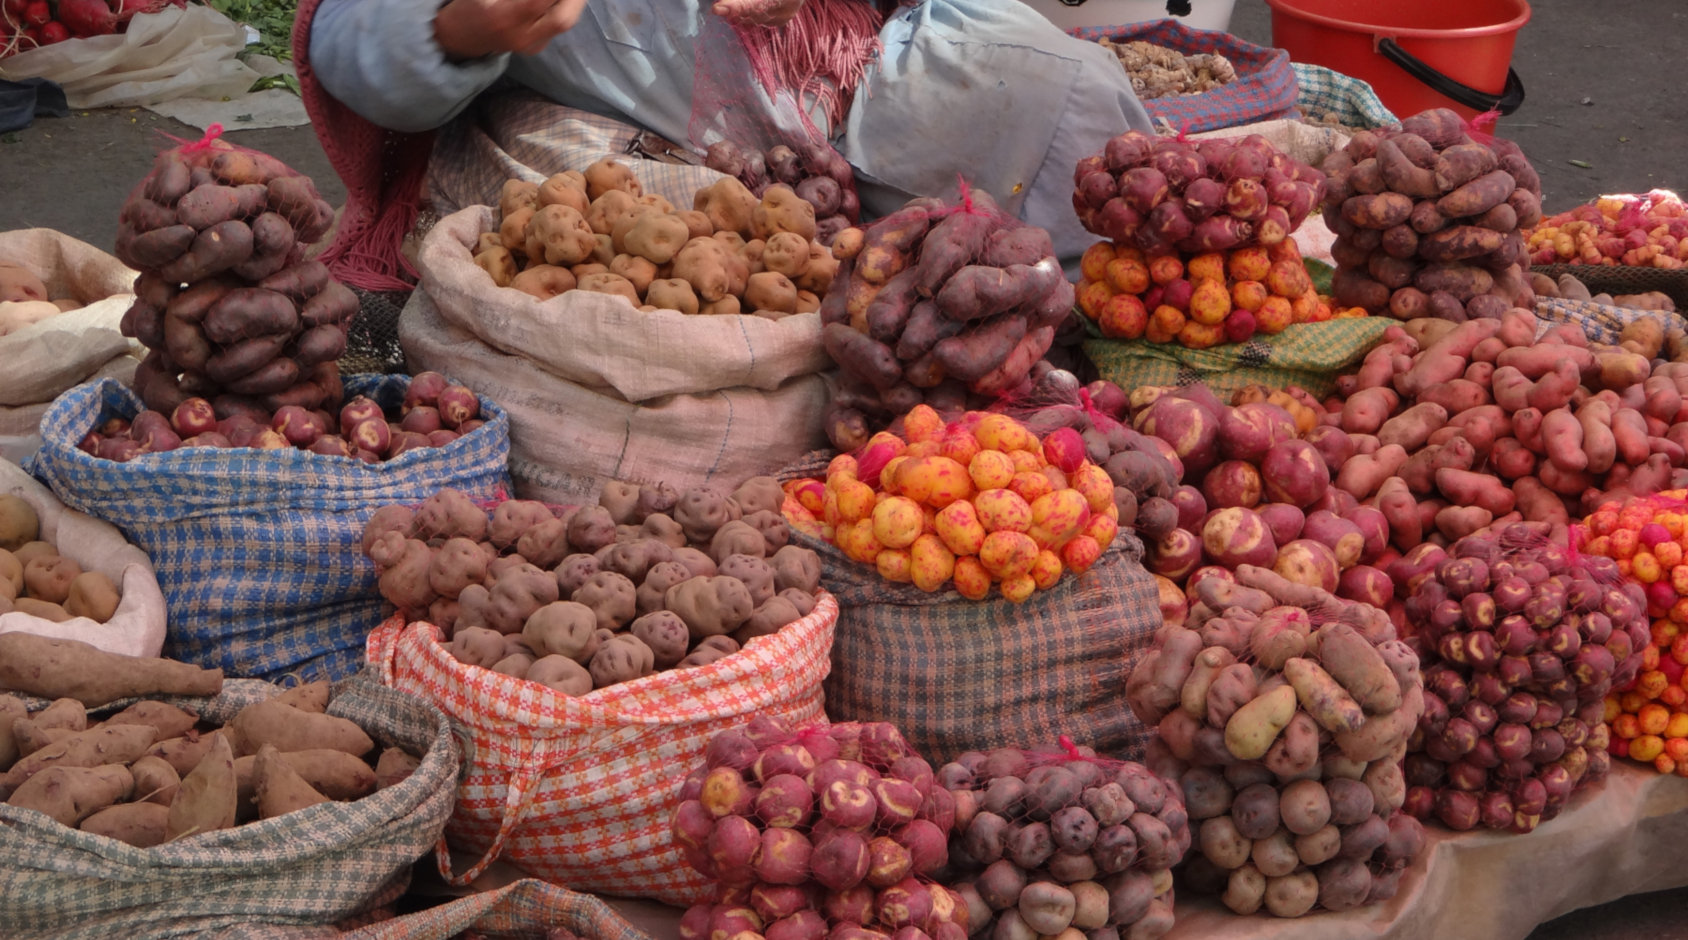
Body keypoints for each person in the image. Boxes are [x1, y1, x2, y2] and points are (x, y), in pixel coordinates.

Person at [296, 0, 1156, 286]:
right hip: (665, 138)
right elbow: (355, 45)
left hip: (874, 66)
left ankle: (1095, 313)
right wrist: (464, 25)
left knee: (1056, 84)